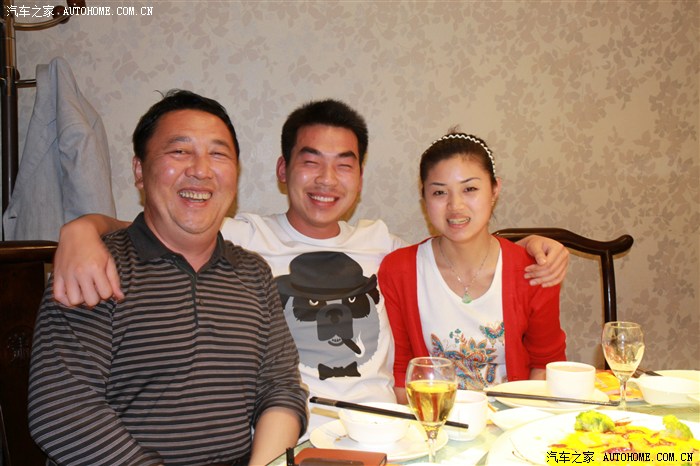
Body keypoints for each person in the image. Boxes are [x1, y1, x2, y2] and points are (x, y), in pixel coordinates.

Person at [50, 100, 568, 434]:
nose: (327, 179)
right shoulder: (240, 236)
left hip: (383, 431)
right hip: (292, 434)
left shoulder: (384, 247)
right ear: (283, 170)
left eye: (344, 164)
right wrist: (80, 230)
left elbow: (455, 240)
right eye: (310, 161)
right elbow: (157, 223)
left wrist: (532, 245)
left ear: (359, 177)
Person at [28, 90, 308, 466]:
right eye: (179, 151)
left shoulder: (253, 274)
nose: (201, 170)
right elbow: (63, 412)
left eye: (218, 154)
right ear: (139, 171)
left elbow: (280, 388)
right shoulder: (95, 267)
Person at [378, 132, 567, 404]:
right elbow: (400, 372)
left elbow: (546, 365)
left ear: (495, 190)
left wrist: (517, 419)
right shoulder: (399, 270)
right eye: (439, 192)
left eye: (470, 189)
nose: (455, 206)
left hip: (513, 417)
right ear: (424, 198)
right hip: (434, 419)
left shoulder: (533, 269)